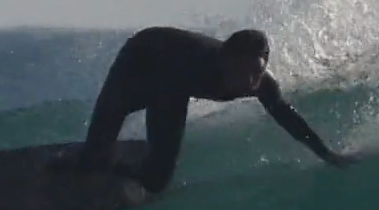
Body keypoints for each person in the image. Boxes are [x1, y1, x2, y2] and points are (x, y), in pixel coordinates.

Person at [51, 26, 354, 193]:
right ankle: (76, 157)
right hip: (141, 58)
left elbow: (287, 119)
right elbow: (163, 107)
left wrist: (326, 154)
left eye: (256, 72)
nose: (248, 82)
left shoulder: (261, 83)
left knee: (156, 180)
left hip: (170, 73)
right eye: (239, 72)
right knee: (95, 158)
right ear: (224, 61)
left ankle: (116, 165)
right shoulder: (193, 70)